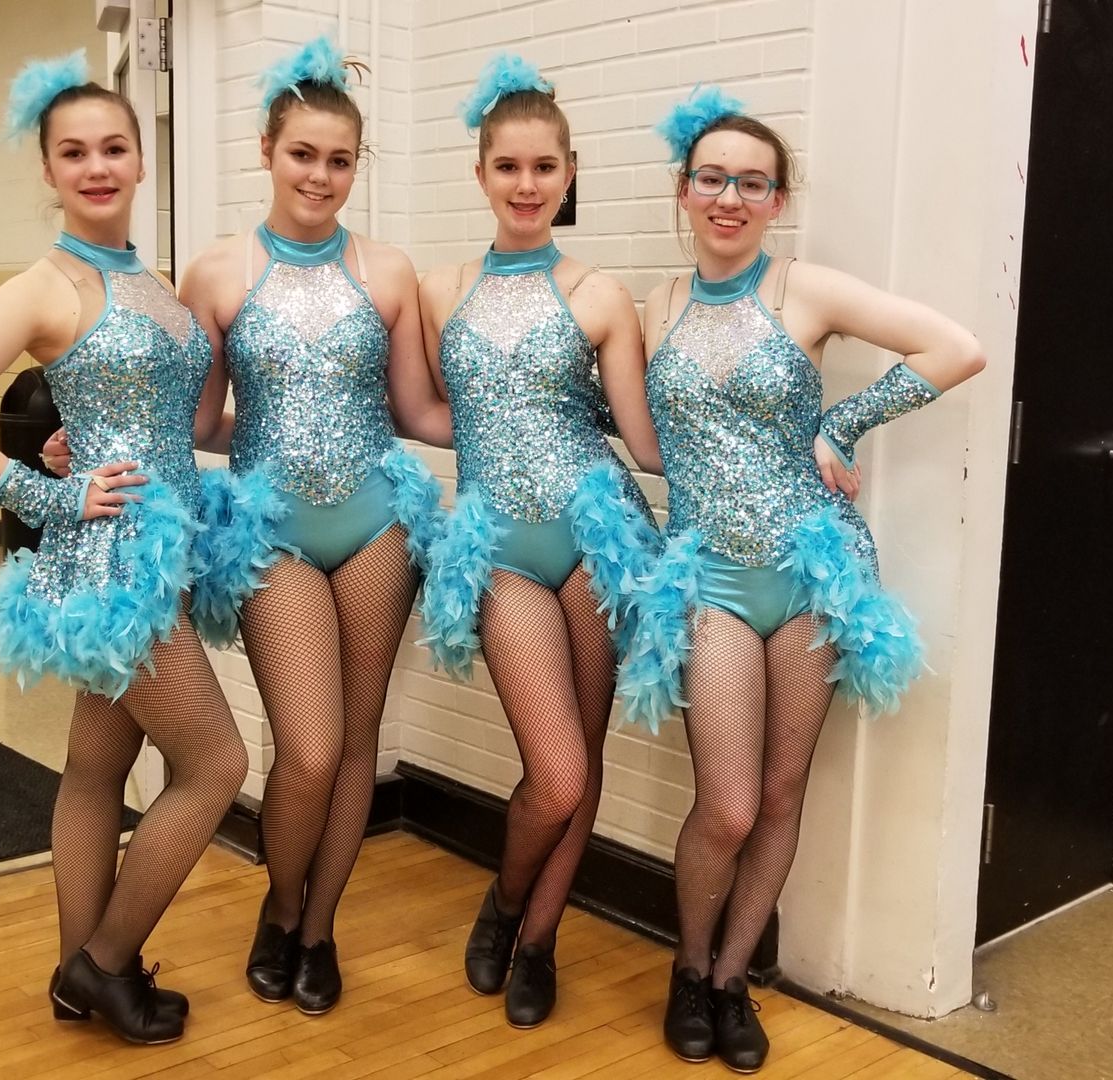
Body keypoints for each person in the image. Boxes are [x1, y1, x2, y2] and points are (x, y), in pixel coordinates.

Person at [622, 86, 986, 1072]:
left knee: (783, 796)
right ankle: (688, 967)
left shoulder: (806, 291)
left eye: (752, 181)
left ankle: (734, 979)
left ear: (776, 198)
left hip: (813, 576)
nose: (730, 196)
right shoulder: (652, 307)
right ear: (683, 191)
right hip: (711, 585)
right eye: (713, 179)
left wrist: (844, 421)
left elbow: (958, 348)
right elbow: (644, 444)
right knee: (728, 805)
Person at [0, 51, 247, 1046]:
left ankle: (71, 976)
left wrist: (76, 442)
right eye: (74, 152)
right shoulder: (40, 287)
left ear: (141, 162)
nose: (97, 165)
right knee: (219, 764)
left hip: (161, 559)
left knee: (96, 771)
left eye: (114, 148)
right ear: (48, 171)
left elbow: (134, 406)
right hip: (112, 568)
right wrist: (43, 492)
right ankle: (104, 964)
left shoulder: (143, 277)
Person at [173, 35, 445, 1017]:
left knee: (360, 739)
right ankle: (278, 906)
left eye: (339, 160)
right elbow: (198, 421)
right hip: (271, 531)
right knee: (313, 749)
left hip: (377, 523)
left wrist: (551, 426)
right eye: (303, 155)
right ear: (266, 151)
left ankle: (320, 926)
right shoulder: (215, 273)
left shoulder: (389, 272)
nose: (321, 175)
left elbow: (417, 410)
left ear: (354, 166)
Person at [416, 53, 659, 1030]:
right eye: (507, 168)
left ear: (568, 174)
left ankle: (543, 941)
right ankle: (506, 900)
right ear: (481, 174)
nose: (526, 186)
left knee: (585, 761)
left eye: (543, 169)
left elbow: (644, 441)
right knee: (552, 774)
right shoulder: (441, 289)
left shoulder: (601, 294)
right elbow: (420, 410)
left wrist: (786, 441)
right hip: (501, 547)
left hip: (596, 535)